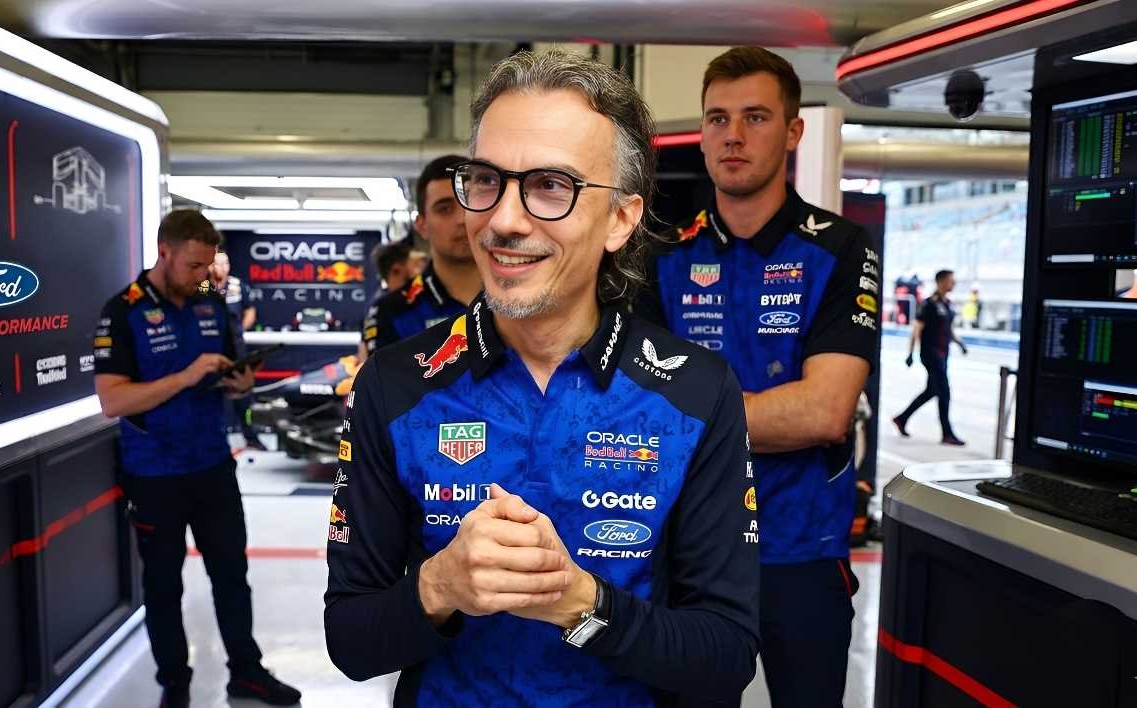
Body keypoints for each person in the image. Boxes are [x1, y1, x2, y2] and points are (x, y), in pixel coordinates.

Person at [324, 51, 759, 707]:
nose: (502, 219)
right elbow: (350, 642)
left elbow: (723, 657)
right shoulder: (396, 383)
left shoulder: (693, 391)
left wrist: (579, 602)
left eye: (551, 186)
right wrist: (439, 586)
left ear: (619, 218)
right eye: (486, 180)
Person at [634, 46, 877, 707]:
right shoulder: (661, 260)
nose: (732, 135)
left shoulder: (837, 250)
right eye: (717, 118)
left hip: (802, 548)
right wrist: (769, 416)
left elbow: (825, 413)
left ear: (793, 130)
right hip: (691, 555)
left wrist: (698, 418)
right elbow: (643, 420)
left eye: (755, 116)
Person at [93, 210, 300, 708]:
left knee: (231, 576)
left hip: (212, 466)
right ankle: (175, 685)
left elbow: (227, 367)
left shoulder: (210, 301)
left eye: (208, 265)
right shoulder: (122, 311)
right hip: (153, 474)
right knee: (162, 586)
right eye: (193, 265)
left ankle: (246, 673)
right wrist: (185, 377)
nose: (203, 275)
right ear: (164, 251)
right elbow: (113, 401)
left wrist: (240, 381)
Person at [358, 155, 481, 361]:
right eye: (445, 209)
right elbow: (382, 390)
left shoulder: (520, 297)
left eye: (470, 202)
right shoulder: (392, 312)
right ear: (422, 225)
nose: (463, 219)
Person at [892, 269, 968, 446]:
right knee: (944, 393)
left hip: (943, 353)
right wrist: (910, 353)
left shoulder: (947, 304)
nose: (953, 284)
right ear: (941, 282)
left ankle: (901, 418)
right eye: (951, 280)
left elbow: (948, 330)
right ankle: (947, 433)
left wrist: (960, 343)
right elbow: (916, 329)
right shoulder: (928, 304)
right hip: (931, 353)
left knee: (932, 391)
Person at [210, 249, 265, 451]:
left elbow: (250, 309)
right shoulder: (203, 287)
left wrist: (242, 327)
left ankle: (251, 437)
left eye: (225, 263)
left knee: (243, 393)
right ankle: (221, 437)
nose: (222, 268)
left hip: (236, 346)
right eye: (218, 263)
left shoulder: (237, 285)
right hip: (213, 348)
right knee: (217, 394)